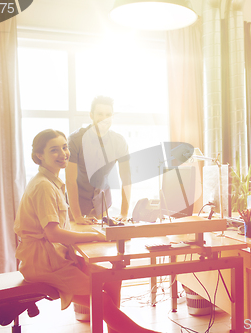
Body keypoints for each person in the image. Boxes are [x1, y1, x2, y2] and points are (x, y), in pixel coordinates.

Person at [14, 129, 158, 333]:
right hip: (43, 264)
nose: (63, 154)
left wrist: (82, 223)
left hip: (53, 258)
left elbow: (55, 226)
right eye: (54, 150)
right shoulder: (43, 186)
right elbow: (53, 234)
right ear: (39, 155)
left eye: (64, 147)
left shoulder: (51, 183)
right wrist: (94, 235)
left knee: (112, 278)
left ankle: (117, 329)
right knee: (102, 299)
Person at [66, 96, 131, 225]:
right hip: (76, 207)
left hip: (102, 205)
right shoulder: (75, 140)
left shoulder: (119, 142)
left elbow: (126, 179)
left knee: (101, 243)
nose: (104, 118)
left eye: (108, 114)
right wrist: (78, 216)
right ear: (91, 115)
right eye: (100, 114)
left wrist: (124, 213)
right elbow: (70, 180)